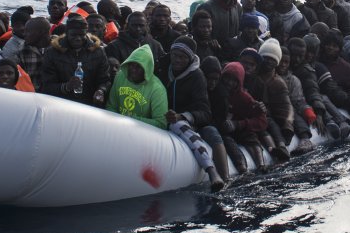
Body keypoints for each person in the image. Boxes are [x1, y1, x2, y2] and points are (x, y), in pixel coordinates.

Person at [165, 37, 225, 192]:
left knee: (210, 131)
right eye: (174, 55)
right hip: (163, 118)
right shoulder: (163, 68)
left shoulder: (197, 76)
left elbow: (205, 113)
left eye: (182, 57)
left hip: (191, 123)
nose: (177, 60)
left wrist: (182, 116)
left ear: (190, 58)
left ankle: (213, 172)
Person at [41, 14, 111, 105]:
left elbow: (105, 80)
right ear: (66, 33)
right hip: (62, 104)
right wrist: (66, 87)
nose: (78, 38)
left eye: (82, 35)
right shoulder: (52, 53)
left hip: (90, 104)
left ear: (86, 32)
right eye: (73, 35)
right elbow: (46, 86)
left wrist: (101, 91)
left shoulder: (98, 51)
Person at [219, 61, 270, 172]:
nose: (229, 83)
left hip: (240, 128)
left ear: (240, 82)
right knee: (225, 138)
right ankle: (241, 167)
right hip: (223, 129)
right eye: (226, 78)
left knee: (250, 136)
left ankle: (261, 164)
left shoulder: (244, 97)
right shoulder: (216, 91)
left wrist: (239, 124)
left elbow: (262, 120)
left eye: (234, 80)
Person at [107, 44, 168, 129]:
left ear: (147, 69)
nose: (134, 70)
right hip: (118, 127)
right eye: (132, 65)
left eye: (139, 67)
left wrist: (131, 120)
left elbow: (161, 123)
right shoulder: (120, 76)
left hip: (142, 134)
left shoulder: (157, 89)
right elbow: (111, 106)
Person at [106, 10, 168, 84]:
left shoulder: (155, 45)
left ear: (146, 25)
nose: (138, 28)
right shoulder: (114, 45)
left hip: (149, 84)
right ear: (128, 25)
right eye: (134, 25)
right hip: (123, 84)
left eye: (141, 25)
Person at [17, 16, 52, 91]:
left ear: (41, 32)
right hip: (31, 94)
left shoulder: (59, 47)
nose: (24, 34)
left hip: (55, 95)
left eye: (28, 31)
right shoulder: (22, 51)